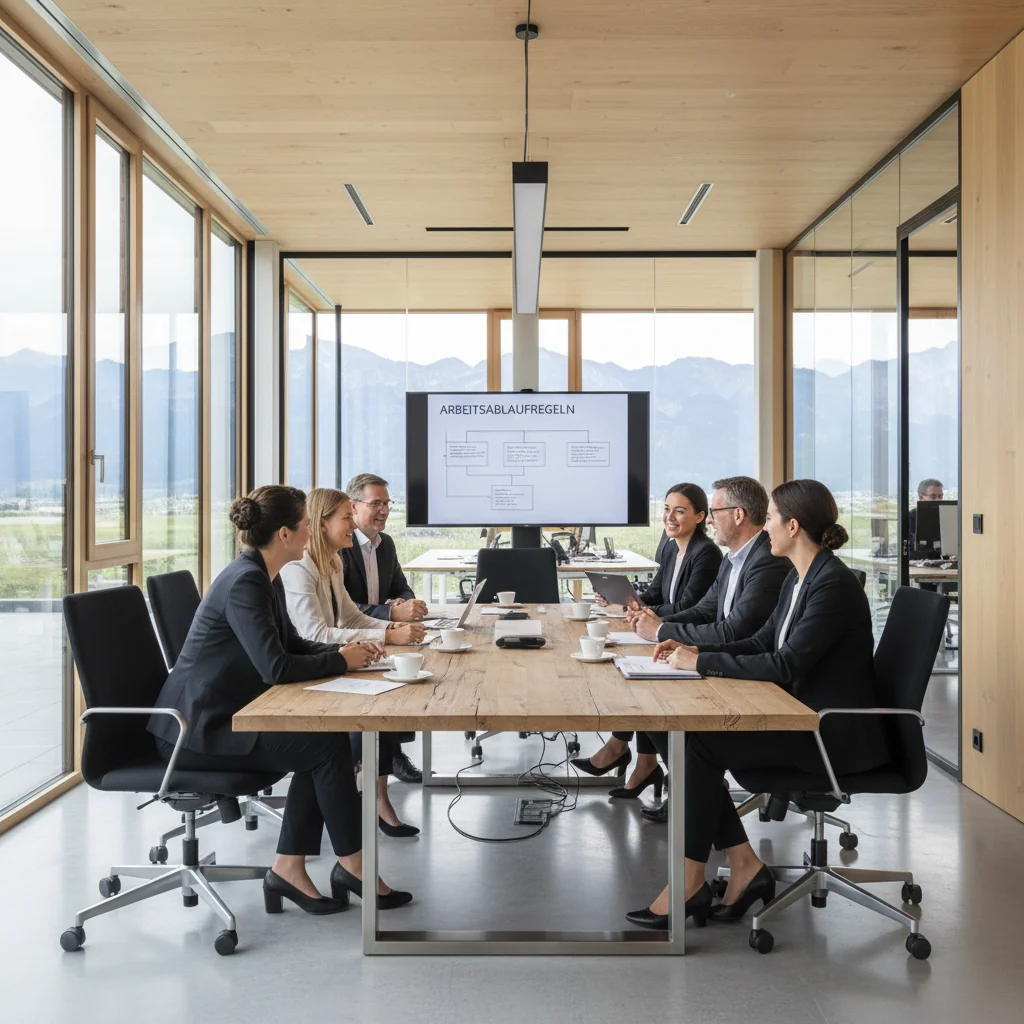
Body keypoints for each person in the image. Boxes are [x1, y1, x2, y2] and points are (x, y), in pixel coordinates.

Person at [625, 479, 890, 931]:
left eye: (768, 519)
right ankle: (740, 866)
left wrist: (702, 660)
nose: (763, 528)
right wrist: (691, 656)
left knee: (698, 746)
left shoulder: (832, 585)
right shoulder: (804, 574)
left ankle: (695, 880)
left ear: (792, 525)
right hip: (801, 717)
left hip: (831, 736)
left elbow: (787, 663)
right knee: (694, 743)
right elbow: (761, 640)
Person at [147, 485, 412, 916]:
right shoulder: (246, 582)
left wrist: (347, 657)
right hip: (195, 730)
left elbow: (293, 644)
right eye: (307, 525)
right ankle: (352, 867)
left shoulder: (259, 574)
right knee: (324, 748)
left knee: (320, 742)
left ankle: (291, 867)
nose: (312, 533)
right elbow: (276, 668)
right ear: (285, 534)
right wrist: (341, 660)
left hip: (220, 716)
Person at [281, 486, 427, 838]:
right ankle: (357, 804)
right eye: (347, 517)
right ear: (321, 524)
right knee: (376, 707)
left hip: (333, 662)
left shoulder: (331, 562)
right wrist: (388, 636)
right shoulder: (300, 569)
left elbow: (351, 618)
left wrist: (391, 627)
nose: (352, 525)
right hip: (309, 672)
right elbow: (314, 633)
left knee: (391, 695)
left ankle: (375, 798)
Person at [573, 483, 721, 796]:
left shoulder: (705, 553)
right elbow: (657, 590)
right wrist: (629, 600)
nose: (670, 517)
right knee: (631, 677)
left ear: (699, 516)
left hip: (685, 637)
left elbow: (691, 608)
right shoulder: (669, 545)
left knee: (640, 685)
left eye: (680, 511)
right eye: (667, 509)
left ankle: (630, 755)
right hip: (660, 631)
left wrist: (647, 613)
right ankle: (642, 760)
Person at [342, 473, 427, 784]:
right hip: (356, 640)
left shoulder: (386, 544)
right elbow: (344, 609)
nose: (384, 510)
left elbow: (402, 588)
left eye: (387, 503)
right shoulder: (341, 546)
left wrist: (406, 604)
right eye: (375, 503)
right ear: (352, 506)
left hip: (385, 634)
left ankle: (389, 754)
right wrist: (391, 611)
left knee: (409, 674)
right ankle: (377, 760)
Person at [909, 477, 944, 557]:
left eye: (940, 496)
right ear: (921, 497)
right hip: (917, 561)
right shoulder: (911, 517)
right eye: (933, 497)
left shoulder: (947, 515)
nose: (938, 500)